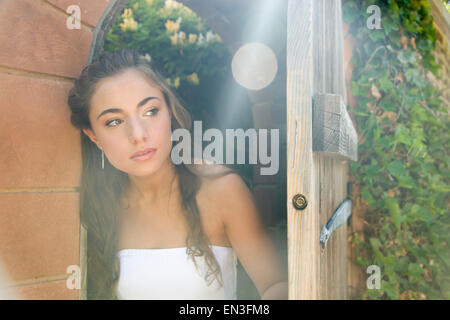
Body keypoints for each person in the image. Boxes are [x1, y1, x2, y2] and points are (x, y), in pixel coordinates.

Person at [67, 48, 287, 300]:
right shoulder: (101, 209)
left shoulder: (221, 190)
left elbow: (275, 285)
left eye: (150, 111)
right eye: (114, 121)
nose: (138, 134)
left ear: (169, 112)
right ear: (94, 136)